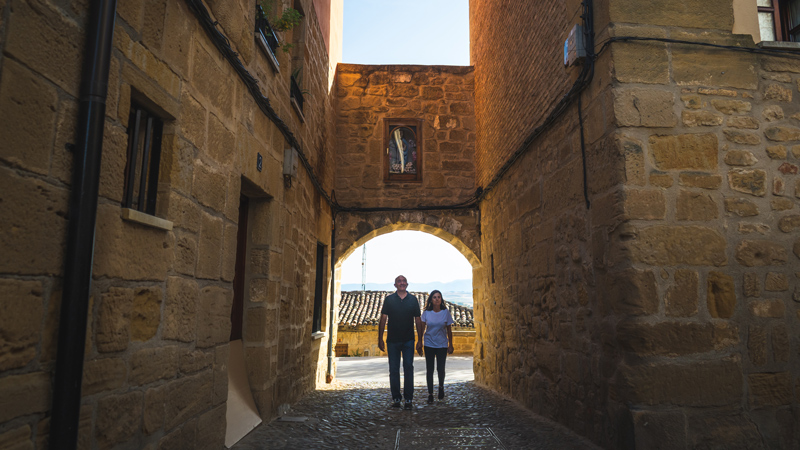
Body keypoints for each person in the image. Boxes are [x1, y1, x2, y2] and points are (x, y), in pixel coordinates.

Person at [377, 275, 424, 409]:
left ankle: (408, 399)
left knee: (408, 368)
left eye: (404, 281)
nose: (402, 283)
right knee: (394, 369)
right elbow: (383, 319)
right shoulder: (389, 300)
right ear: (395, 285)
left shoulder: (413, 300)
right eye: (399, 281)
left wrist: (420, 340)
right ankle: (396, 398)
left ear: (407, 284)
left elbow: (418, 320)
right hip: (392, 340)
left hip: (409, 340)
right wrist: (380, 338)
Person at [420, 290, 455, 403]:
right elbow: (421, 329)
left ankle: (441, 387)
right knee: (429, 369)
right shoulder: (426, 313)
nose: (437, 299)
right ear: (431, 299)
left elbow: (449, 330)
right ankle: (430, 393)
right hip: (429, 344)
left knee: (441, 368)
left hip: (442, 344)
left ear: (441, 299)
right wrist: (419, 342)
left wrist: (450, 344)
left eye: (439, 297)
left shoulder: (445, 312)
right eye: (434, 297)